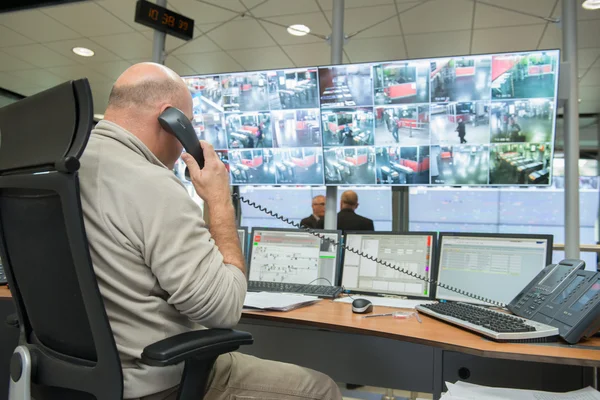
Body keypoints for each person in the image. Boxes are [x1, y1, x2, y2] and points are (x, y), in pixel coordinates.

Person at [78, 62, 342, 400]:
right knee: (320, 389)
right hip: (154, 382)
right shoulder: (152, 183)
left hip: (73, 379)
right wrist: (218, 201)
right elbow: (224, 309)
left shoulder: (68, 166)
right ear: (171, 120)